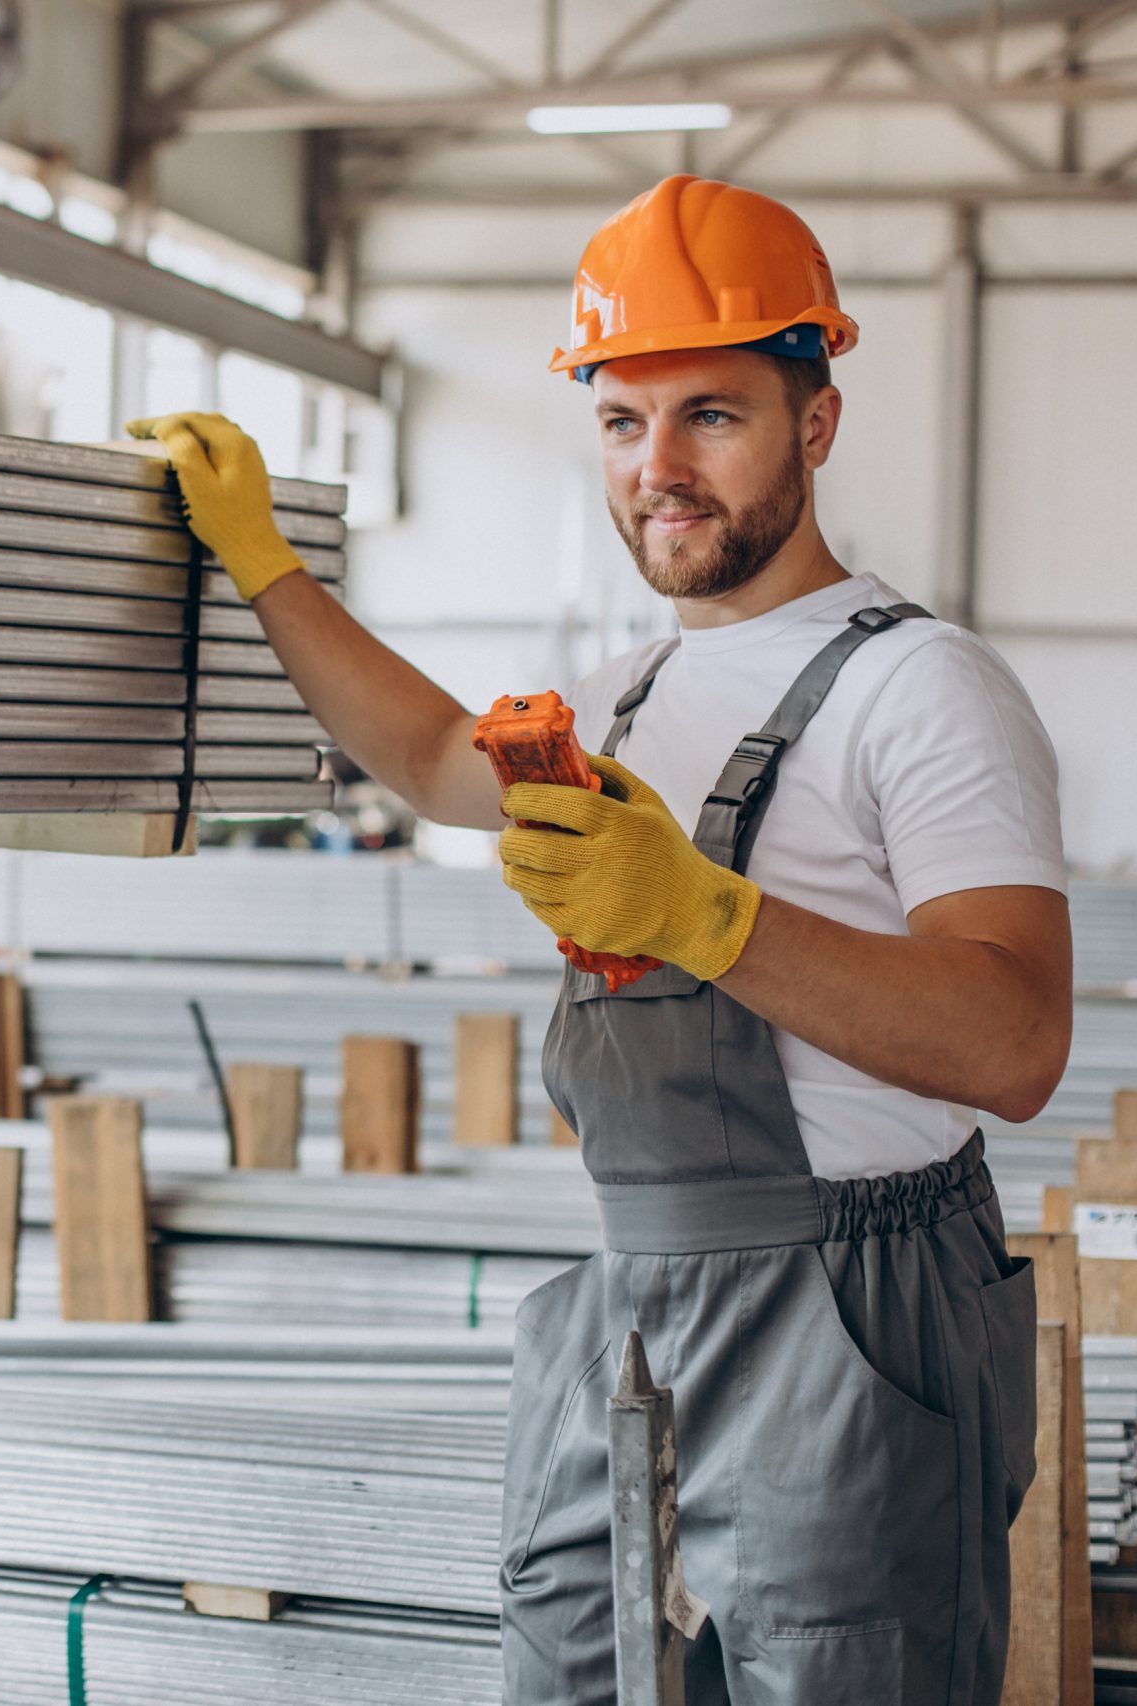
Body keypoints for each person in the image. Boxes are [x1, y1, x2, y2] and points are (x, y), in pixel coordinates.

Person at [130, 173, 1069, 1706]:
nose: (661, 469)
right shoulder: (623, 696)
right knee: (575, 1668)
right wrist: (266, 568)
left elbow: (1018, 1039)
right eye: (625, 423)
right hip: (635, 1291)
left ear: (815, 423)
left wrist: (701, 913)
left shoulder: (928, 690)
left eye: (713, 415)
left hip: (856, 1306)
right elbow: (438, 756)